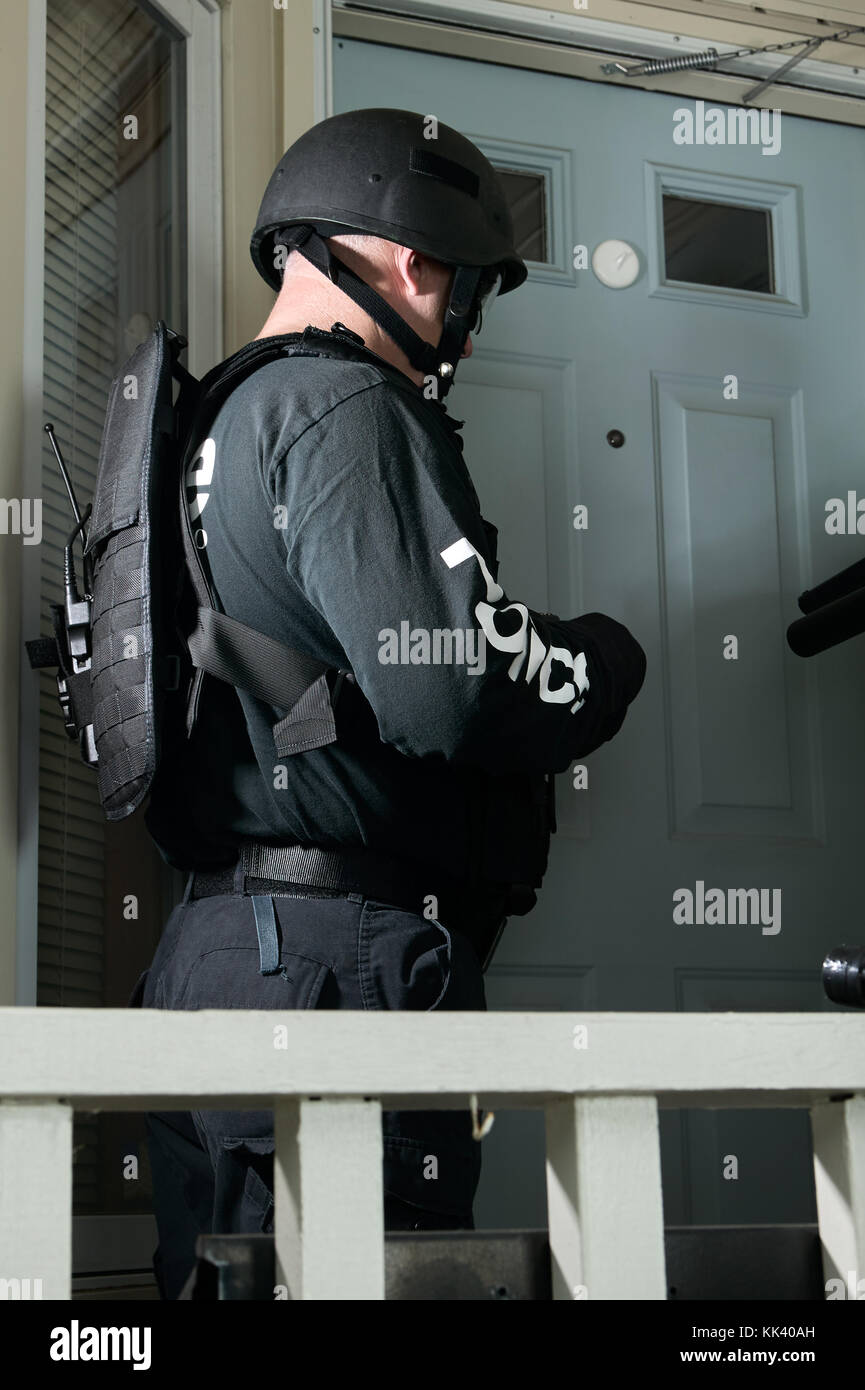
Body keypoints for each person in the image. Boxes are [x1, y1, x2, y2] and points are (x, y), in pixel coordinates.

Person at [136, 107, 647, 1299]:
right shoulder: (344, 407)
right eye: (469, 284)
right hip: (331, 963)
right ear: (418, 263)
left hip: (213, 956)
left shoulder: (211, 423)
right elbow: (448, 690)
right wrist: (606, 660)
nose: (463, 316)